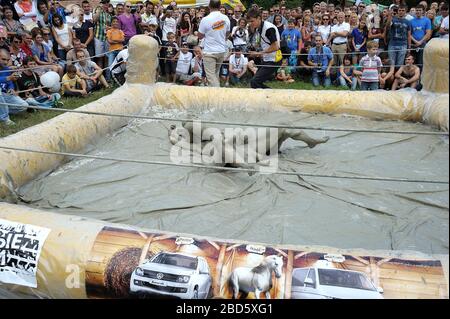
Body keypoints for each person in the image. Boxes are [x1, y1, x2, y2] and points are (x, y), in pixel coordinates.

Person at [197, 0, 230, 88]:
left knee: (211, 77)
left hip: (210, 52)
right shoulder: (226, 18)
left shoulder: (205, 19)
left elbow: (200, 36)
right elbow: (227, 33)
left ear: (209, 6)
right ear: (220, 6)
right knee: (215, 74)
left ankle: (218, 96)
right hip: (221, 51)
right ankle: (212, 96)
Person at [247, 8, 281, 89]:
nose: (250, 23)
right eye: (249, 22)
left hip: (274, 60)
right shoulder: (259, 27)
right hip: (267, 59)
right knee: (255, 82)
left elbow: (276, 46)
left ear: (259, 18)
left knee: (254, 82)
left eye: (252, 21)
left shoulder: (268, 28)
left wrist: (259, 53)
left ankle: (274, 96)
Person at [0, 48, 28, 126]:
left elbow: (10, 83)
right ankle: (4, 119)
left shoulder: (6, 69)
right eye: (3, 59)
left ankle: (2, 110)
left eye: (7, 60)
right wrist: (8, 78)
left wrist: (11, 88)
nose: (5, 62)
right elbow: (8, 79)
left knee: (24, 106)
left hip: (4, 95)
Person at [386, 4, 411, 69]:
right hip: (392, 44)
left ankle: (397, 77)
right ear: (397, 11)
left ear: (405, 11)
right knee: (391, 64)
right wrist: (390, 15)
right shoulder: (393, 19)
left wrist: (409, 48)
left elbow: (409, 35)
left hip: (403, 45)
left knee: (400, 64)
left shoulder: (408, 22)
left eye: (403, 10)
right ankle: (391, 77)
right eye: (400, 10)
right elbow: (388, 26)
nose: (401, 12)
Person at [93, 0, 112, 70]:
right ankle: (100, 76)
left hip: (107, 38)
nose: (106, 5)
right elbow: (94, 20)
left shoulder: (109, 15)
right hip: (98, 37)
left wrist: (109, 28)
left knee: (107, 57)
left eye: (107, 3)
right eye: (104, 3)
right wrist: (99, 10)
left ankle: (107, 77)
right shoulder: (97, 11)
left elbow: (111, 26)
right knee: (99, 58)